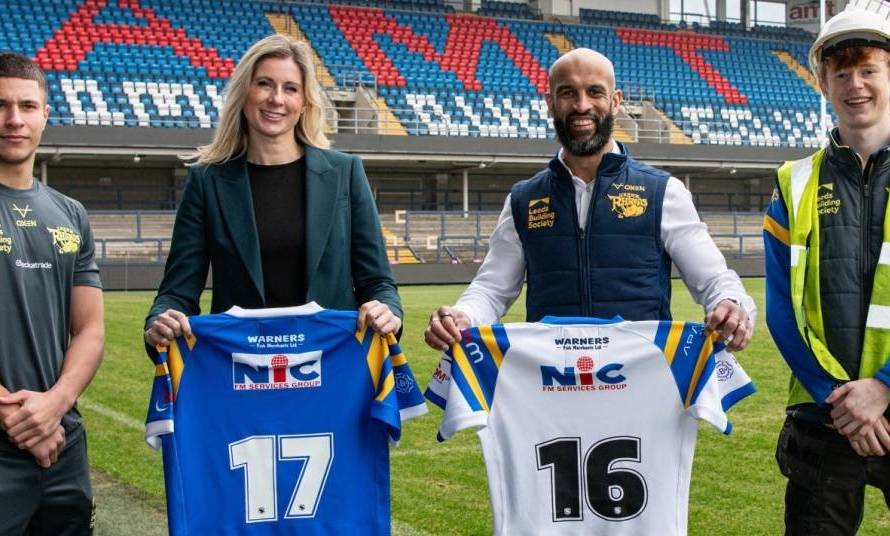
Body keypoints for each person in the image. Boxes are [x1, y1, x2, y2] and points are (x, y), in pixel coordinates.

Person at [424, 48, 754, 351]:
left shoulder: (663, 191)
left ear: (615, 101)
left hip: (644, 379)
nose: (582, 105)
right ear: (550, 102)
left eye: (595, 91)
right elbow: (493, 288)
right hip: (552, 381)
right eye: (568, 92)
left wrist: (731, 303)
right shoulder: (524, 199)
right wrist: (464, 315)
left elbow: (713, 278)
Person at [144, 34, 401, 349]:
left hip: (333, 361)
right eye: (264, 84)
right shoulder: (207, 182)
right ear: (244, 92)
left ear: (304, 101)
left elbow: (378, 283)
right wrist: (160, 320)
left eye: (290, 88)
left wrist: (387, 311)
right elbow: (177, 293)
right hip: (242, 364)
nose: (277, 99)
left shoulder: (345, 173)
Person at [764, 1, 890, 532]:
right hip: (825, 415)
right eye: (841, 73)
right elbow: (779, 308)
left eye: (868, 70)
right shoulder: (793, 183)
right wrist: (837, 397)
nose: (854, 85)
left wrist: (883, 386)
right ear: (822, 84)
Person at [0, 52, 104, 534]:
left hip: (62, 440)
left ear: (45, 114)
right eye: (1, 106)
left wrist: (55, 405)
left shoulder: (71, 213)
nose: (13, 119)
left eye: (26, 106)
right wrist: (16, 416)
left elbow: (90, 330)